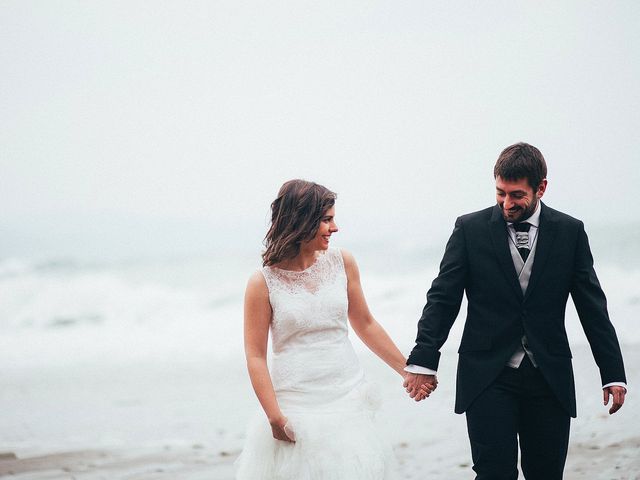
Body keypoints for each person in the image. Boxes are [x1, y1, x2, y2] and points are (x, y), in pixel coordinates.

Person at [403, 143, 627, 479]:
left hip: (548, 377)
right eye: (500, 193)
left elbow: (592, 307)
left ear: (541, 188)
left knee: (546, 473)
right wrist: (424, 359)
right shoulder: (470, 229)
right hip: (487, 376)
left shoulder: (570, 232)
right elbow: (443, 298)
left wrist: (612, 372)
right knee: (493, 474)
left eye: (517, 195)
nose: (507, 203)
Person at [236, 179, 429, 479]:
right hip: (296, 409)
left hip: (347, 401)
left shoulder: (343, 262)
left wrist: (408, 370)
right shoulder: (262, 282)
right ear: (301, 221)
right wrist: (274, 417)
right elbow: (255, 356)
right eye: (326, 220)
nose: (334, 228)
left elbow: (365, 323)